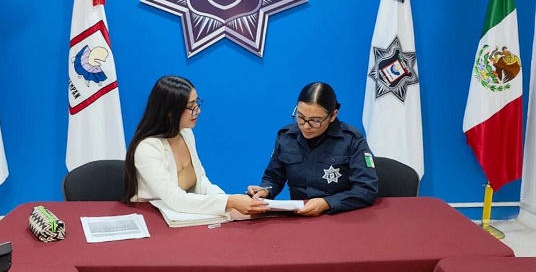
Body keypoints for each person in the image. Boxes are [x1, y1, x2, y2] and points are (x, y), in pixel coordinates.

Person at [124, 75, 269, 216]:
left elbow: (201, 181)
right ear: (169, 112)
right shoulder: (147, 148)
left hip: (180, 217)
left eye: (197, 103)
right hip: (153, 219)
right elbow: (174, 198)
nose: (198, 110)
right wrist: (229, 202)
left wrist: (227, 201)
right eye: (190, 106)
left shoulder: (186, 133)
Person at [247, 82, 378, 216]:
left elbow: (366, 188)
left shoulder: (352, 140)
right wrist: (265, 190)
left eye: (315, 120)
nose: (306, 126)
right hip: (299, 216)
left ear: (333, 115)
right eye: (300, 117)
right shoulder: (286, 137)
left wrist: (327, 203)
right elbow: (273, 178)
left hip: (338, 215)